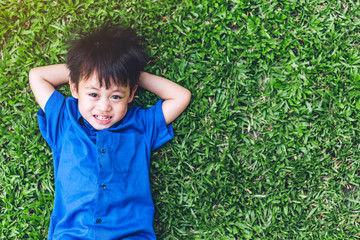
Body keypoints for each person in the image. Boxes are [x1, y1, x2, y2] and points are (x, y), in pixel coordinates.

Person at [29, 25, 191, 239]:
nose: (104, 107)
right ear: (75, 89)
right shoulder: (64, 119)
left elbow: (180, 96)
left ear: (131, 93)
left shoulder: (141, 125)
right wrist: (88, 68)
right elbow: (37, 76)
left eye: (116, 96)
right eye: (94, 94)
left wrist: (129, 73)